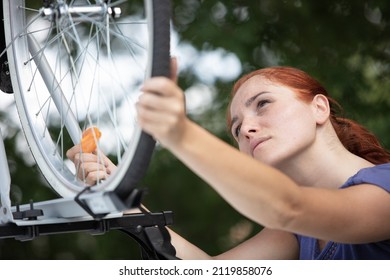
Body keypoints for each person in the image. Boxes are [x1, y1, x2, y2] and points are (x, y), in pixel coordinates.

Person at [66, 65, 390, 260]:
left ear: (319, 108)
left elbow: (288, 206)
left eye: (263, 104)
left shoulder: (384, 188)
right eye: (236, 128)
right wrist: (122, 198)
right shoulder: (293, 234)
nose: (246, 128)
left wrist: (179, 133)